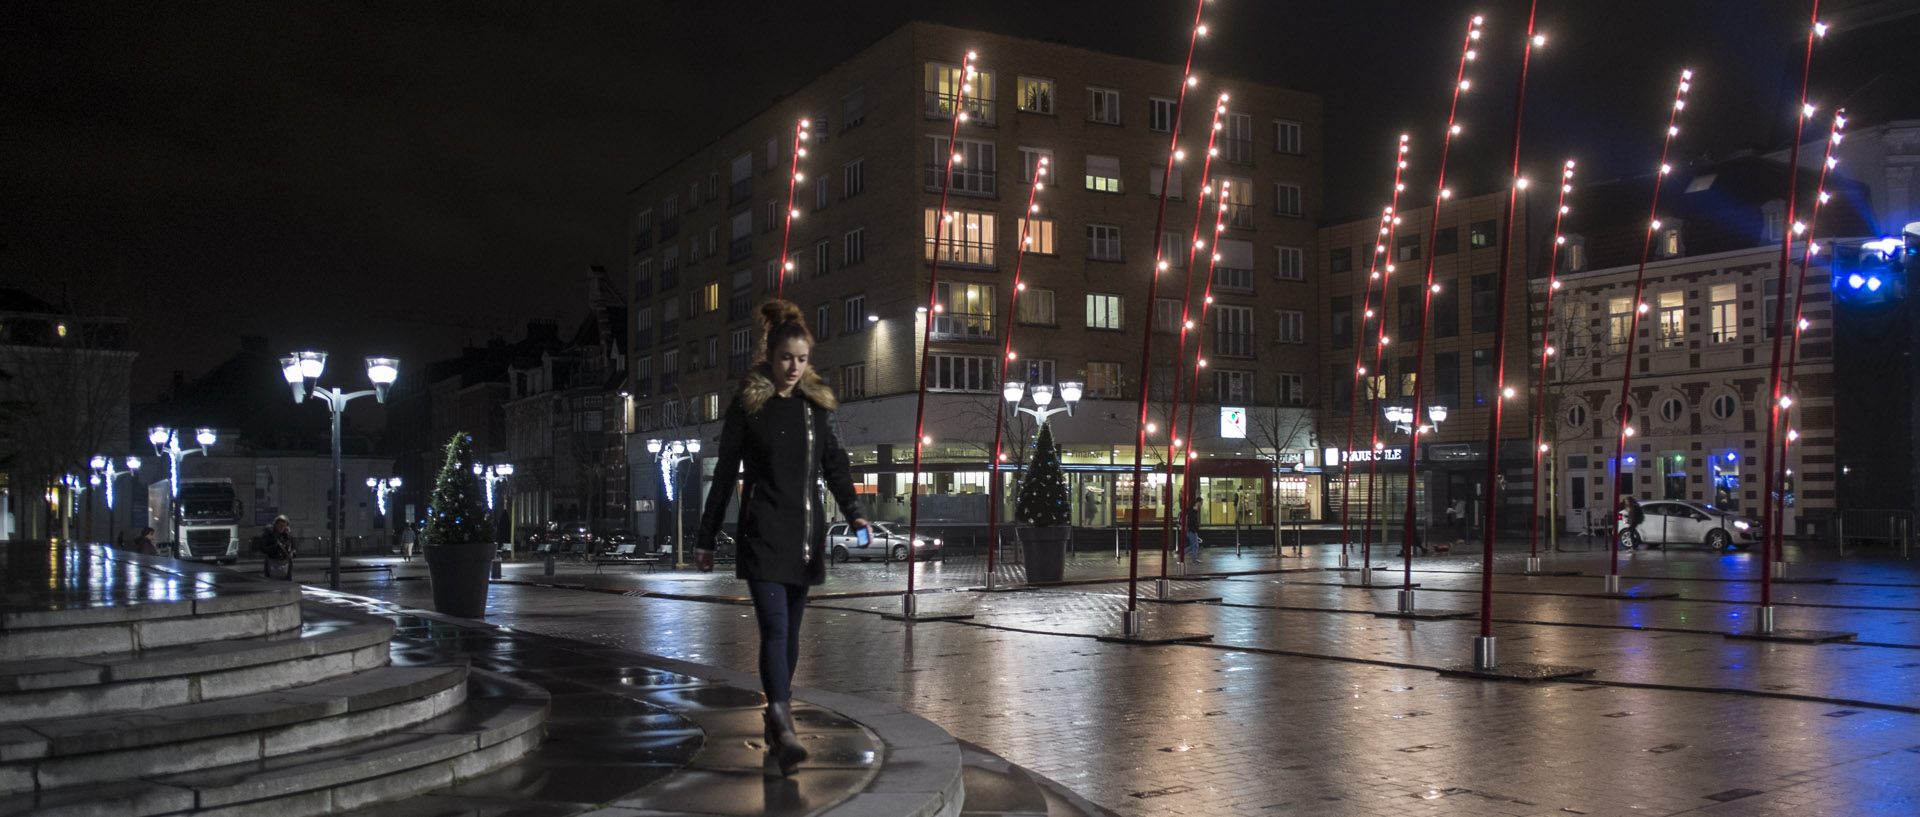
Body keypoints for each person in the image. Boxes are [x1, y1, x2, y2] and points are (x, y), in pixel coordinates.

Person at [695, 299, 868, 778]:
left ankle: (776, 717)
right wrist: (705, 538)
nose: (794, 367)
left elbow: (834, 466)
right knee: (774, 628)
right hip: (762, 533)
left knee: (790, 636)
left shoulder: (817, 408)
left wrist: (854, 514)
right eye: (786, 357)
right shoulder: (749, 406)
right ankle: (784, 720)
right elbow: (725, 473)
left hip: (805, 537)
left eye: (802, 359)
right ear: (769, 357)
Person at [254, 515, 296, 580]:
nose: (282, 528)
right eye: (280, 525)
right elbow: (262, 548)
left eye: (284, 526)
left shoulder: (287, 535)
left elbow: (293, 546)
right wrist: (275, 547)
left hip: (285, 563)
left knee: (286, 583)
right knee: (271, 582)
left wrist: (292, 553)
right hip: (272, 562)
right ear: (275, 525)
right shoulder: (269, 534)